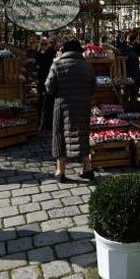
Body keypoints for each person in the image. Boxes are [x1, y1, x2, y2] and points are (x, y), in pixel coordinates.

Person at [45, 39, 96, 182]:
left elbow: (49, 87)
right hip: (83, 105)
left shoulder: (57, 64)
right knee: (83, 135)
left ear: (64, 51)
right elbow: (93, 88)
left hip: (63, 105)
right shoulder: (87, 66)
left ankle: (60, 172)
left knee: (60, 136)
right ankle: (87, 169)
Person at [123, 33, 140, 111]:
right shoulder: (134, 51)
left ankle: (128, 113)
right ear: (134, 40)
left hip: (128, 77)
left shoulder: (125, 51)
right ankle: (133, 112)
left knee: (126, 98)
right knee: (133, 97)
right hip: (134, 77)